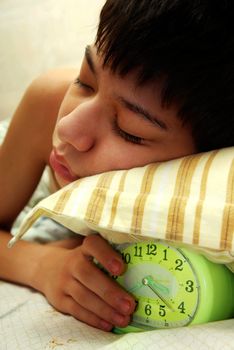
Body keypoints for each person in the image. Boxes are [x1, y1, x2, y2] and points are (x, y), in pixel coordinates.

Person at [0, 0, 233, 332]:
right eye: (85, 82)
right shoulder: (48, 104)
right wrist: (41, 264)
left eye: (128, 130)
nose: (67, 129)